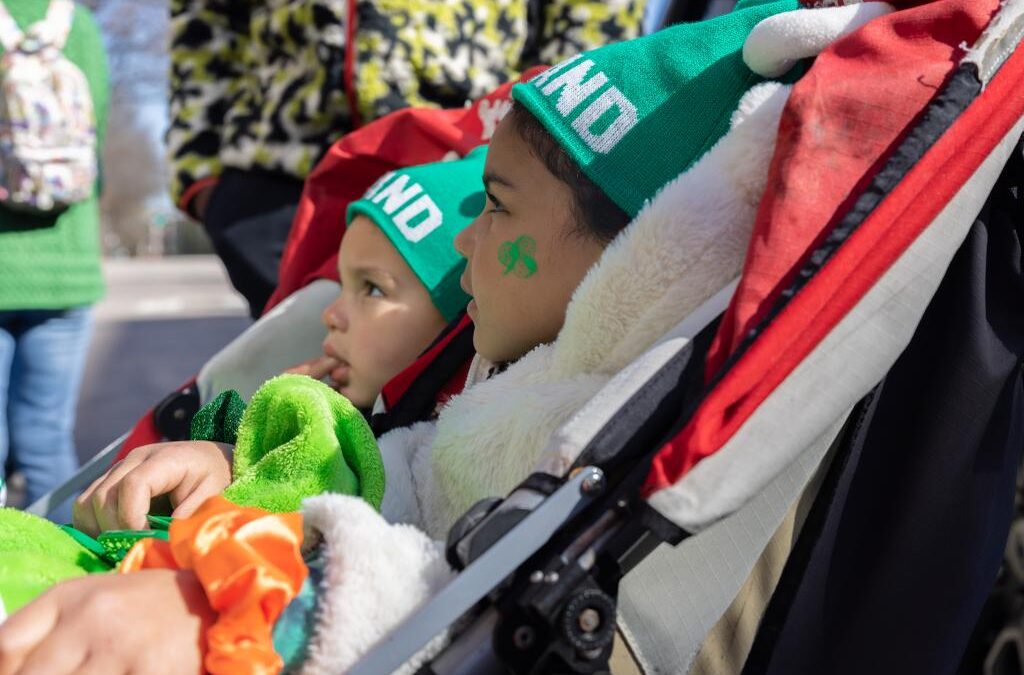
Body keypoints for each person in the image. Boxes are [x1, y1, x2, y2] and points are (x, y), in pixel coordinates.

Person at [0, 1, 818, 671]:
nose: (467, 241)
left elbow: (454, 575)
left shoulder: (617, 438)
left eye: (494, 207)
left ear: (635, 258)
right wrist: (230, 459)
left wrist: (258, 607)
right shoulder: (501, 389)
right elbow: (397, 472)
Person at [72, 148, 488, 536]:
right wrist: (260, 425)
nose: (330, 314)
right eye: (342, 285)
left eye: (373, 289)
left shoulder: (449, 464)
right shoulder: (332, 406)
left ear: (456, 325)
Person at [170, 0, 647, 318]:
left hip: (467, 151)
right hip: (275, 168)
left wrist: (554, 132)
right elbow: (203, 24)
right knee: (300, 370)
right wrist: (204, 183)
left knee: (443, 383)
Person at [0, 0, 108, 523]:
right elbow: (97, 137)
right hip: (67, 269)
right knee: (46, 439)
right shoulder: (78, 25)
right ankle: (55, 583)